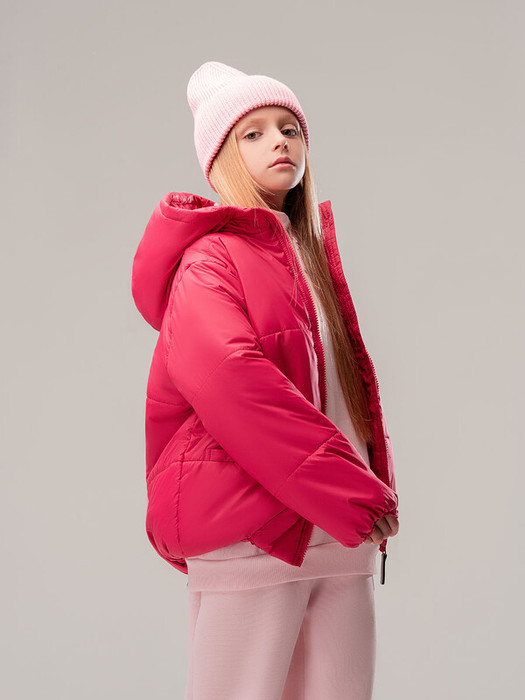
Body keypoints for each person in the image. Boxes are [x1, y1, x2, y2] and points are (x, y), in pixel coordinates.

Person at [131, 61, 400, 700]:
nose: (279, 141)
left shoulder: (310, 256)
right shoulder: (209, 261)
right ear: (220, 158)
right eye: (252, 133)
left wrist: (359, 496)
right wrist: (353, 491)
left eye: (289, 128)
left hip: (338, 537)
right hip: (256, 536)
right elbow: (236, 387)